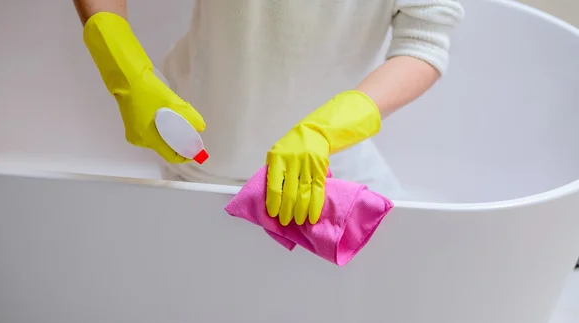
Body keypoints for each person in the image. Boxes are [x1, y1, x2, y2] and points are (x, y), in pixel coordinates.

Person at [73, 0, 464, 226]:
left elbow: (424, 41)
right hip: (201, 158)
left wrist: (328, 130)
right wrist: (125, 69)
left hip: (334, 164)